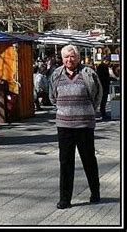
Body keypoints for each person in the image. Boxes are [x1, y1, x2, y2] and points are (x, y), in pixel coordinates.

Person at [49, 44, 103, 209]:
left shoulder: (88, 73)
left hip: (84, 124)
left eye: (72, 56)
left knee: (89, 160)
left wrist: (89, 111)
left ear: (78, 58)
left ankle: (95, 193)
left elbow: (98, 94)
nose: (69, 60)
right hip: (64, 125)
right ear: (62, 58)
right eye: (66, 57)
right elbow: (52, 97)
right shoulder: (56, 75)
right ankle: (65, 199)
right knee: (65, 162)